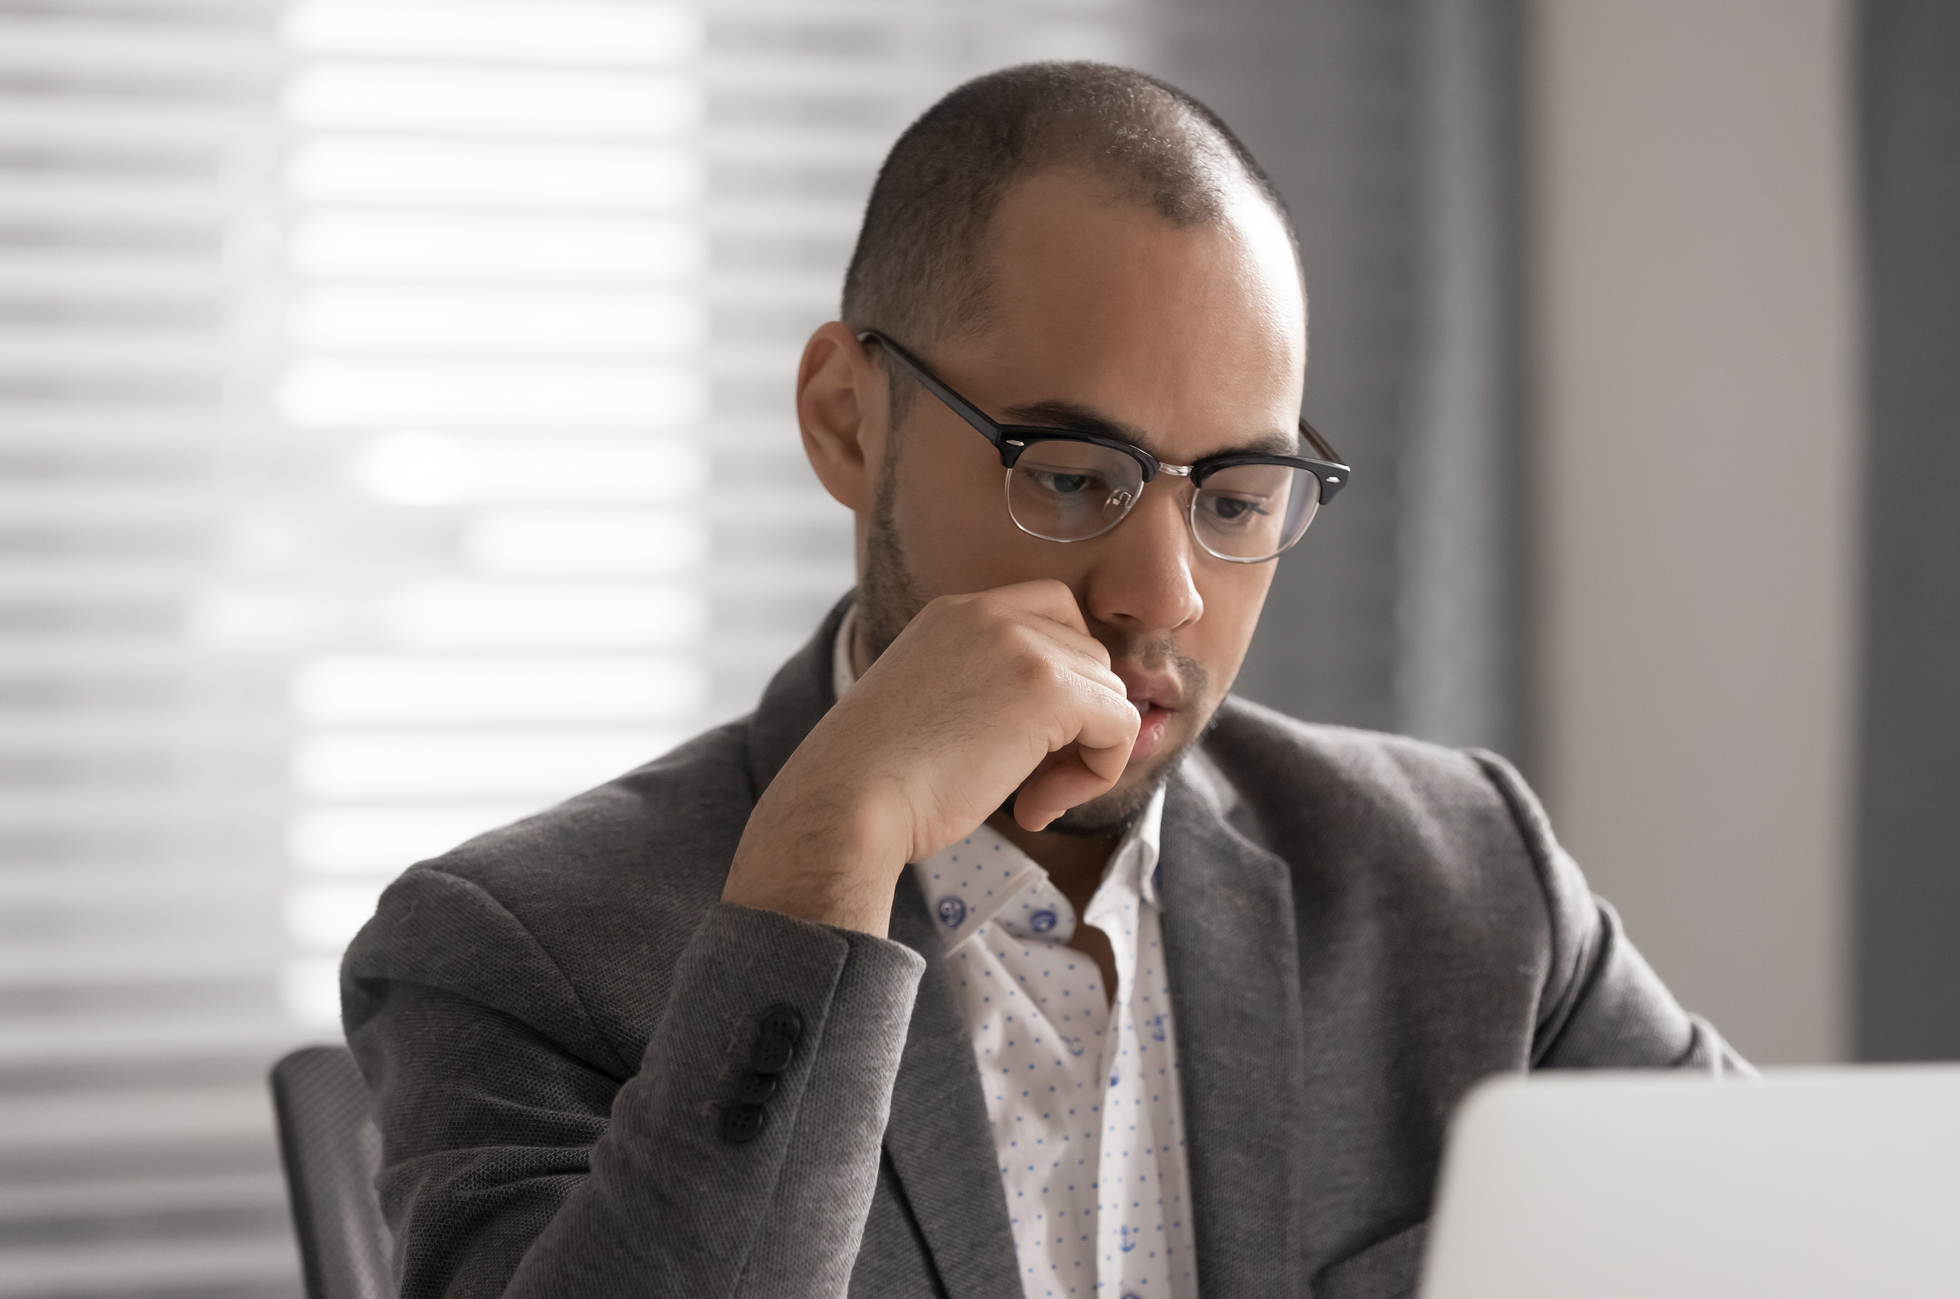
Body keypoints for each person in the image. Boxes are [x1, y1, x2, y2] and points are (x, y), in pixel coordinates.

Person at [343, 61, 1745, 1299]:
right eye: (1073, 478)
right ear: (846, 420)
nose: (1163, 596)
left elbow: (1800, 1244)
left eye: (1240, 497)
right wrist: (825, 864)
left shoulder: (1461, 881)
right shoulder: (515, 950)